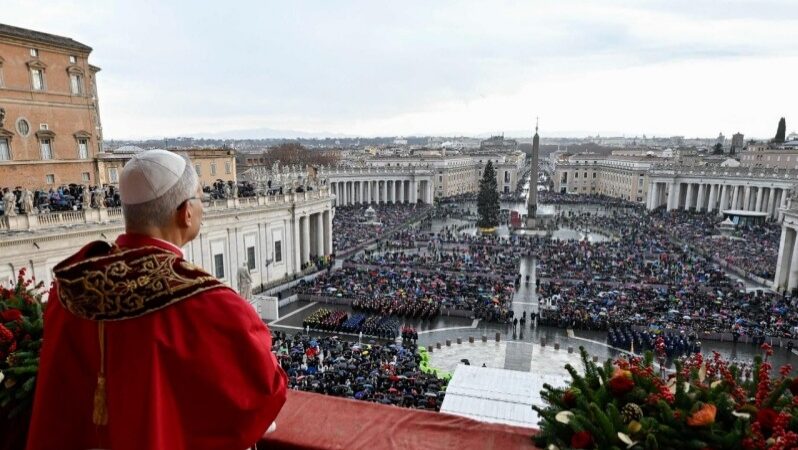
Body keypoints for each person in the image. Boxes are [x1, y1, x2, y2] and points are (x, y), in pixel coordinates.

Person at [27, 150, 287, 450]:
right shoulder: (210, 302)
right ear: (185, 212)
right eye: (200, 199)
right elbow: (266, 391)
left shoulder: (72, 286)